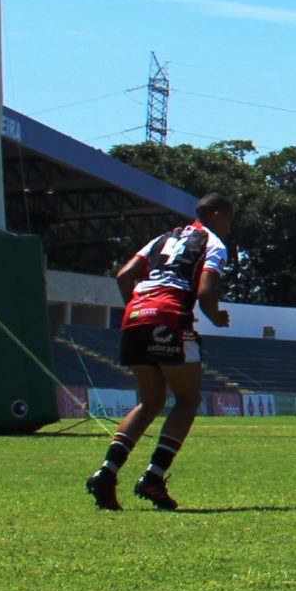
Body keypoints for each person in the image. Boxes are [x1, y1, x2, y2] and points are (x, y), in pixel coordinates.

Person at [87, 193, 237, 512]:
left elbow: (124, 275)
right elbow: (207, 290)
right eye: (229, 218)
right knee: (187, 400)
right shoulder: (213, 243)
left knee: (149, 402)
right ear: (216, 214)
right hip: (169, 315)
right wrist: (215, 316)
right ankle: (154, 476)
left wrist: (143, 307)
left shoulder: (162, 238)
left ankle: (107, 471)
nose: (229, 226)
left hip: (135, 315)